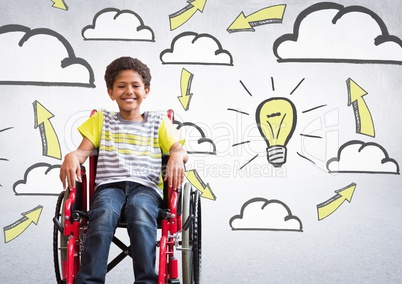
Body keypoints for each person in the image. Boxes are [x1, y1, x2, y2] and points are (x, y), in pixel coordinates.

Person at [59, 56, 188, 284]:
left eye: (136, 86)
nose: (129, 91)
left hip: (145, 188)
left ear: (146, 90)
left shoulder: (158, 122)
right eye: (121, 86)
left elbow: (180, 150)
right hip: (109, 187)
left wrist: (177, 155)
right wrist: (71, 156)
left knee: (139, 211)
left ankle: (146, 280)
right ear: (111, 92)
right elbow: (81, 153)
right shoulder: (101, 120)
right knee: (104, 214)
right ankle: (90, 280)